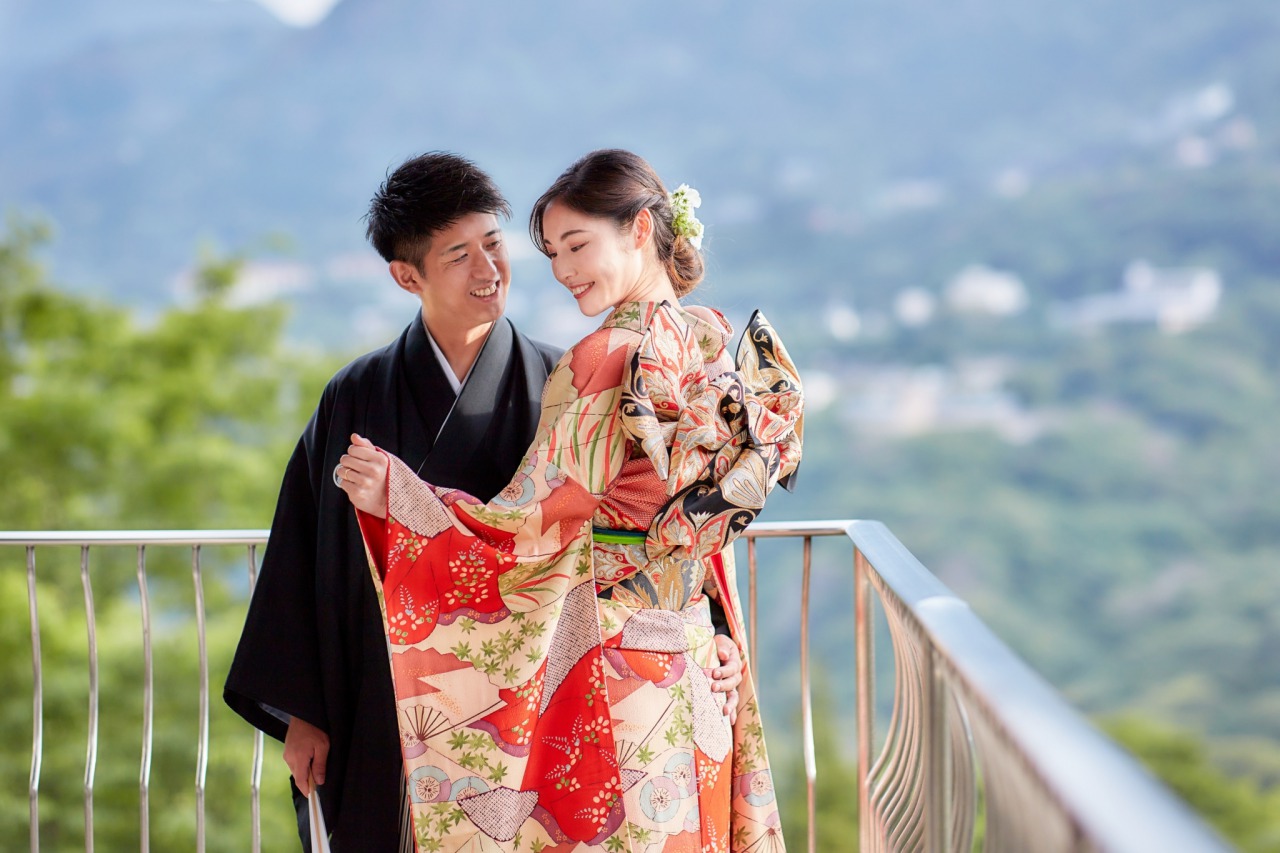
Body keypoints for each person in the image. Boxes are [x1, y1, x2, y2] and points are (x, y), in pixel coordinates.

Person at [223, 152, 745, 852]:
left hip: (532, 695)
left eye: (494, 244)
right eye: (459, 254)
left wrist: (714, 629)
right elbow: (305, 555)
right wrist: (305, 713)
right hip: (386, 692)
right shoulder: (356, 395)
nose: (488, 269)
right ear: (407, 276)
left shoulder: (563, 380)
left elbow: (657, 518)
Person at [339, 149, 803, 852]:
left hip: (618, 677)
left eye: (578, 244)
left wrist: (402, 500)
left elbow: (529, 528)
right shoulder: (705, 337)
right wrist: (723, 638)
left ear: (641, 229)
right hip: (696, 659)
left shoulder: (599, 356)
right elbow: (699, 523)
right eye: (553, 251)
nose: (563, 269)